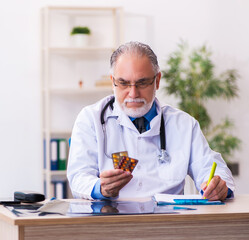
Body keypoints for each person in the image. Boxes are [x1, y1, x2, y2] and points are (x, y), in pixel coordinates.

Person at [67, 41, 235, 201]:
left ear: (157, 81)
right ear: (113, 82)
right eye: (124, 83)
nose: (133, 94)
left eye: (142, 83)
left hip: (168, 223)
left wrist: (218, 186)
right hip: (112, 220)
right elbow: (78, 177)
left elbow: (209, 167)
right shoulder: (91, 119)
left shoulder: (183, 124)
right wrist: (99, 188)